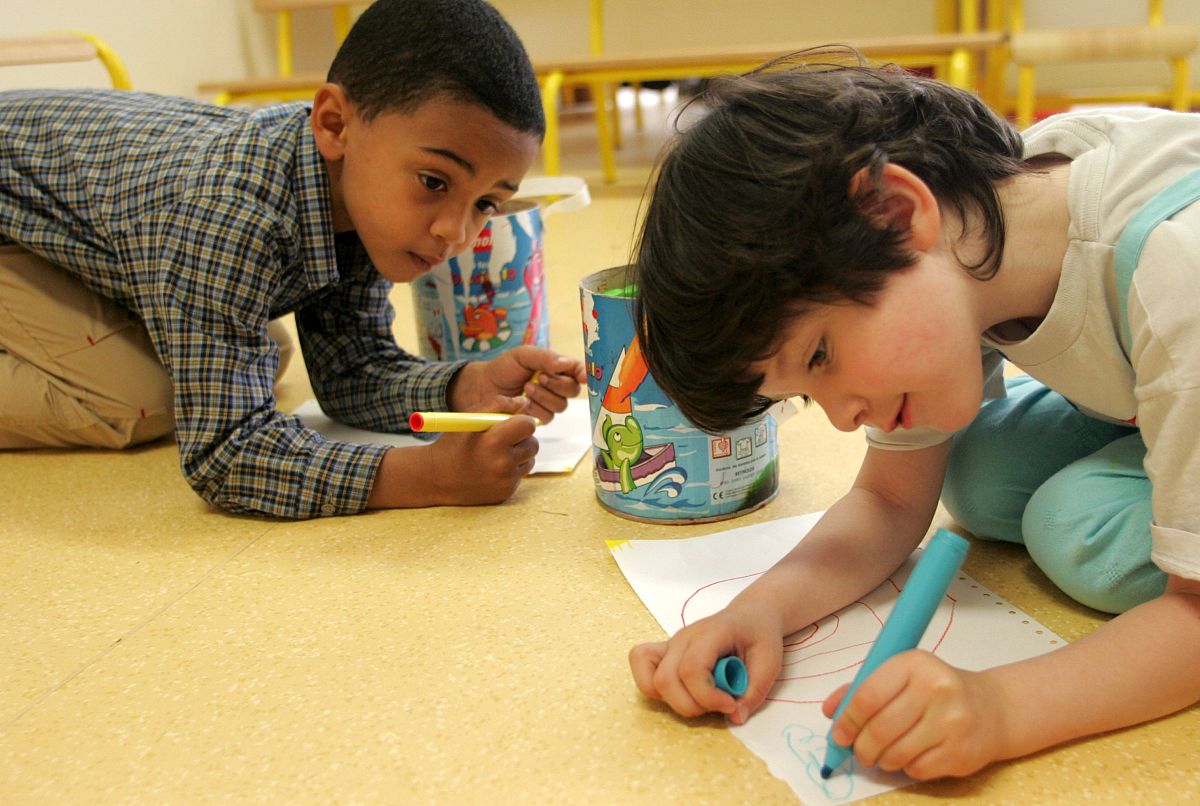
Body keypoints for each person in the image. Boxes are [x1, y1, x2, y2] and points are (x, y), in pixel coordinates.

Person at [626, 53, 1200, 780]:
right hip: (1151, 392)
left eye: (822, 354)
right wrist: (760, 609)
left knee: (1069, 523)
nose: (843, 419)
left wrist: (998, 708)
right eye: (808, 394)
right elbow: (890, 500)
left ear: (897, 212)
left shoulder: (1174, 271)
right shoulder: (982, 230)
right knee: (980, 474)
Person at [0, 0, 586, 518]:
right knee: (142, 399)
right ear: (334, 123)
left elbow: (350, 372)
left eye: (485, 203)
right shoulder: (230, 212)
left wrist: (464, 387)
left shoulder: (357, 186)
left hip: (76, 223)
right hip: (12, 218)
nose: (454, 232)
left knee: (261, 350)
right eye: (434, 181)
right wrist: (427, 477)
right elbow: (224, 452)